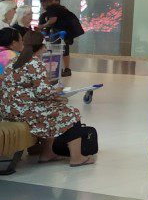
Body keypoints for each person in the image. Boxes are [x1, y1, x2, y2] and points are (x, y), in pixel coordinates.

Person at [0, 31, 95, 166]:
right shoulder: (35, 63)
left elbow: (25, 89)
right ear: (39, 47)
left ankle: (47, 153)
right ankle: (77, 157)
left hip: (9, 110)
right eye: (44, 46)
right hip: (24, 111)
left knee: (51, 110)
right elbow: (43, 93)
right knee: (71, 113)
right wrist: (57, 91)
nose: (45, 49)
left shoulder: (13, 62)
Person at [39, 0, 83, 78]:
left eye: (42, 5)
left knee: (58, 48)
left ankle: (56, 69)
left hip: (64, 30)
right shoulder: (59, 8)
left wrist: (42, 26)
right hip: (70, 29)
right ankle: (63, 69)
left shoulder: (52, 8)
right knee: (63, 48)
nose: (43, 7)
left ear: (44, 4)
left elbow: (53, 20)